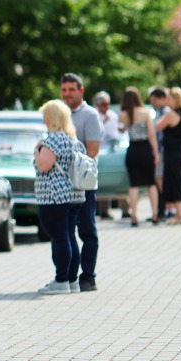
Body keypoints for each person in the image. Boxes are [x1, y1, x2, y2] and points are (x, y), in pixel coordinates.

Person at [33, 100, 85, 294]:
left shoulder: (53, 140)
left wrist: (37, 150)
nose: (43, 120)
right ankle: (72, 280)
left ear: (50, 118)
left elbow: (43, 166)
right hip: (74, 194)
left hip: (54, 197)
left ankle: (61, 280)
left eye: (45, 116)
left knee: (60, 237)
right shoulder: (73, 140)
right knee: (69, 236)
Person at [60, 73, 102, 291]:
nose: (67, 94)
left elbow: (92, 151)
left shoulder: (89, 115)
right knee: (65, 233)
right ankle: (68, 277)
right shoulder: (60, 114)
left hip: (83, 184)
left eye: (71, 90)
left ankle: (88, 276)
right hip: (62, 185)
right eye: (63, 90)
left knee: (87, 231)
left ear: (81, 90)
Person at [120, 87, 159, 226]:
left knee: (134, 185)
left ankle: (134, 216)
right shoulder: (145, 112)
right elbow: (151, 135)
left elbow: (122, 129)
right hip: (145, 149)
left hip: (132, 150)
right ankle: (155, 214)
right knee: (151, 183)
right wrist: (156, 153)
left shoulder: (123, 114)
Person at [155, 87, 181, 225]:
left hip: (173, 153)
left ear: (175, 100)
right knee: (180, 181)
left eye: (169, 98)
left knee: (177, 183)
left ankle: (180, 215)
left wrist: (164, 112)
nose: (166, 100)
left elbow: (158, 126)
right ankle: (179, 214)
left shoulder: (171, 115)